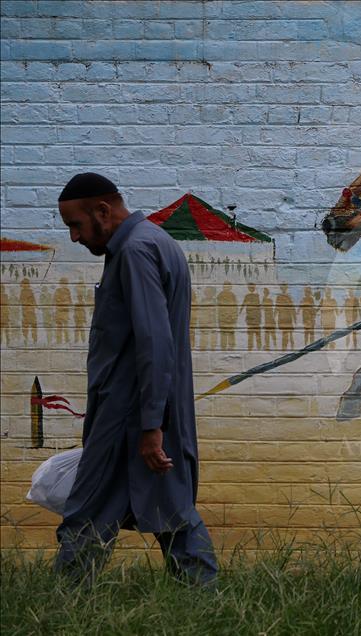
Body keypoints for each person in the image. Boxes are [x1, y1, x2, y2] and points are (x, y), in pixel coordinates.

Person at [55, 172, 217, 585]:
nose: (74, 237)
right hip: (147, 410)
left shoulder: (135, 251)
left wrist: (149, 427)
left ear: (103, 211)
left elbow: (154, 340)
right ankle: (205, 601)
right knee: (173, 513)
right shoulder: (154, 242)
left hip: (128, 416)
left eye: (75, 225)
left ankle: (60, 606)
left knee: (88, 512)